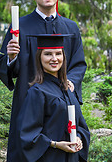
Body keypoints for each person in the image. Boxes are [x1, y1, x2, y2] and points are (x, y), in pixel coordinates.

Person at [0, 0, 87, 161]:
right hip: (29, 102)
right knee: (26, 149)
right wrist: (11, 57)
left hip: (59, 105)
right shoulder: (20, 26)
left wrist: (71, 81)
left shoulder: (70, 27)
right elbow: (5, 66)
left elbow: (78, 64)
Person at [16, 34, 90, 162]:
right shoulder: (37, 92)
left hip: (72, 158)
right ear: (40, 57)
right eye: (48, 54)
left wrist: (78, 138)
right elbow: (27, 135)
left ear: (63, 57)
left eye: (58, 53)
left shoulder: (67, 90)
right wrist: (55, 144)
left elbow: (81, 126)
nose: (54, 58)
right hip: (50, 157)